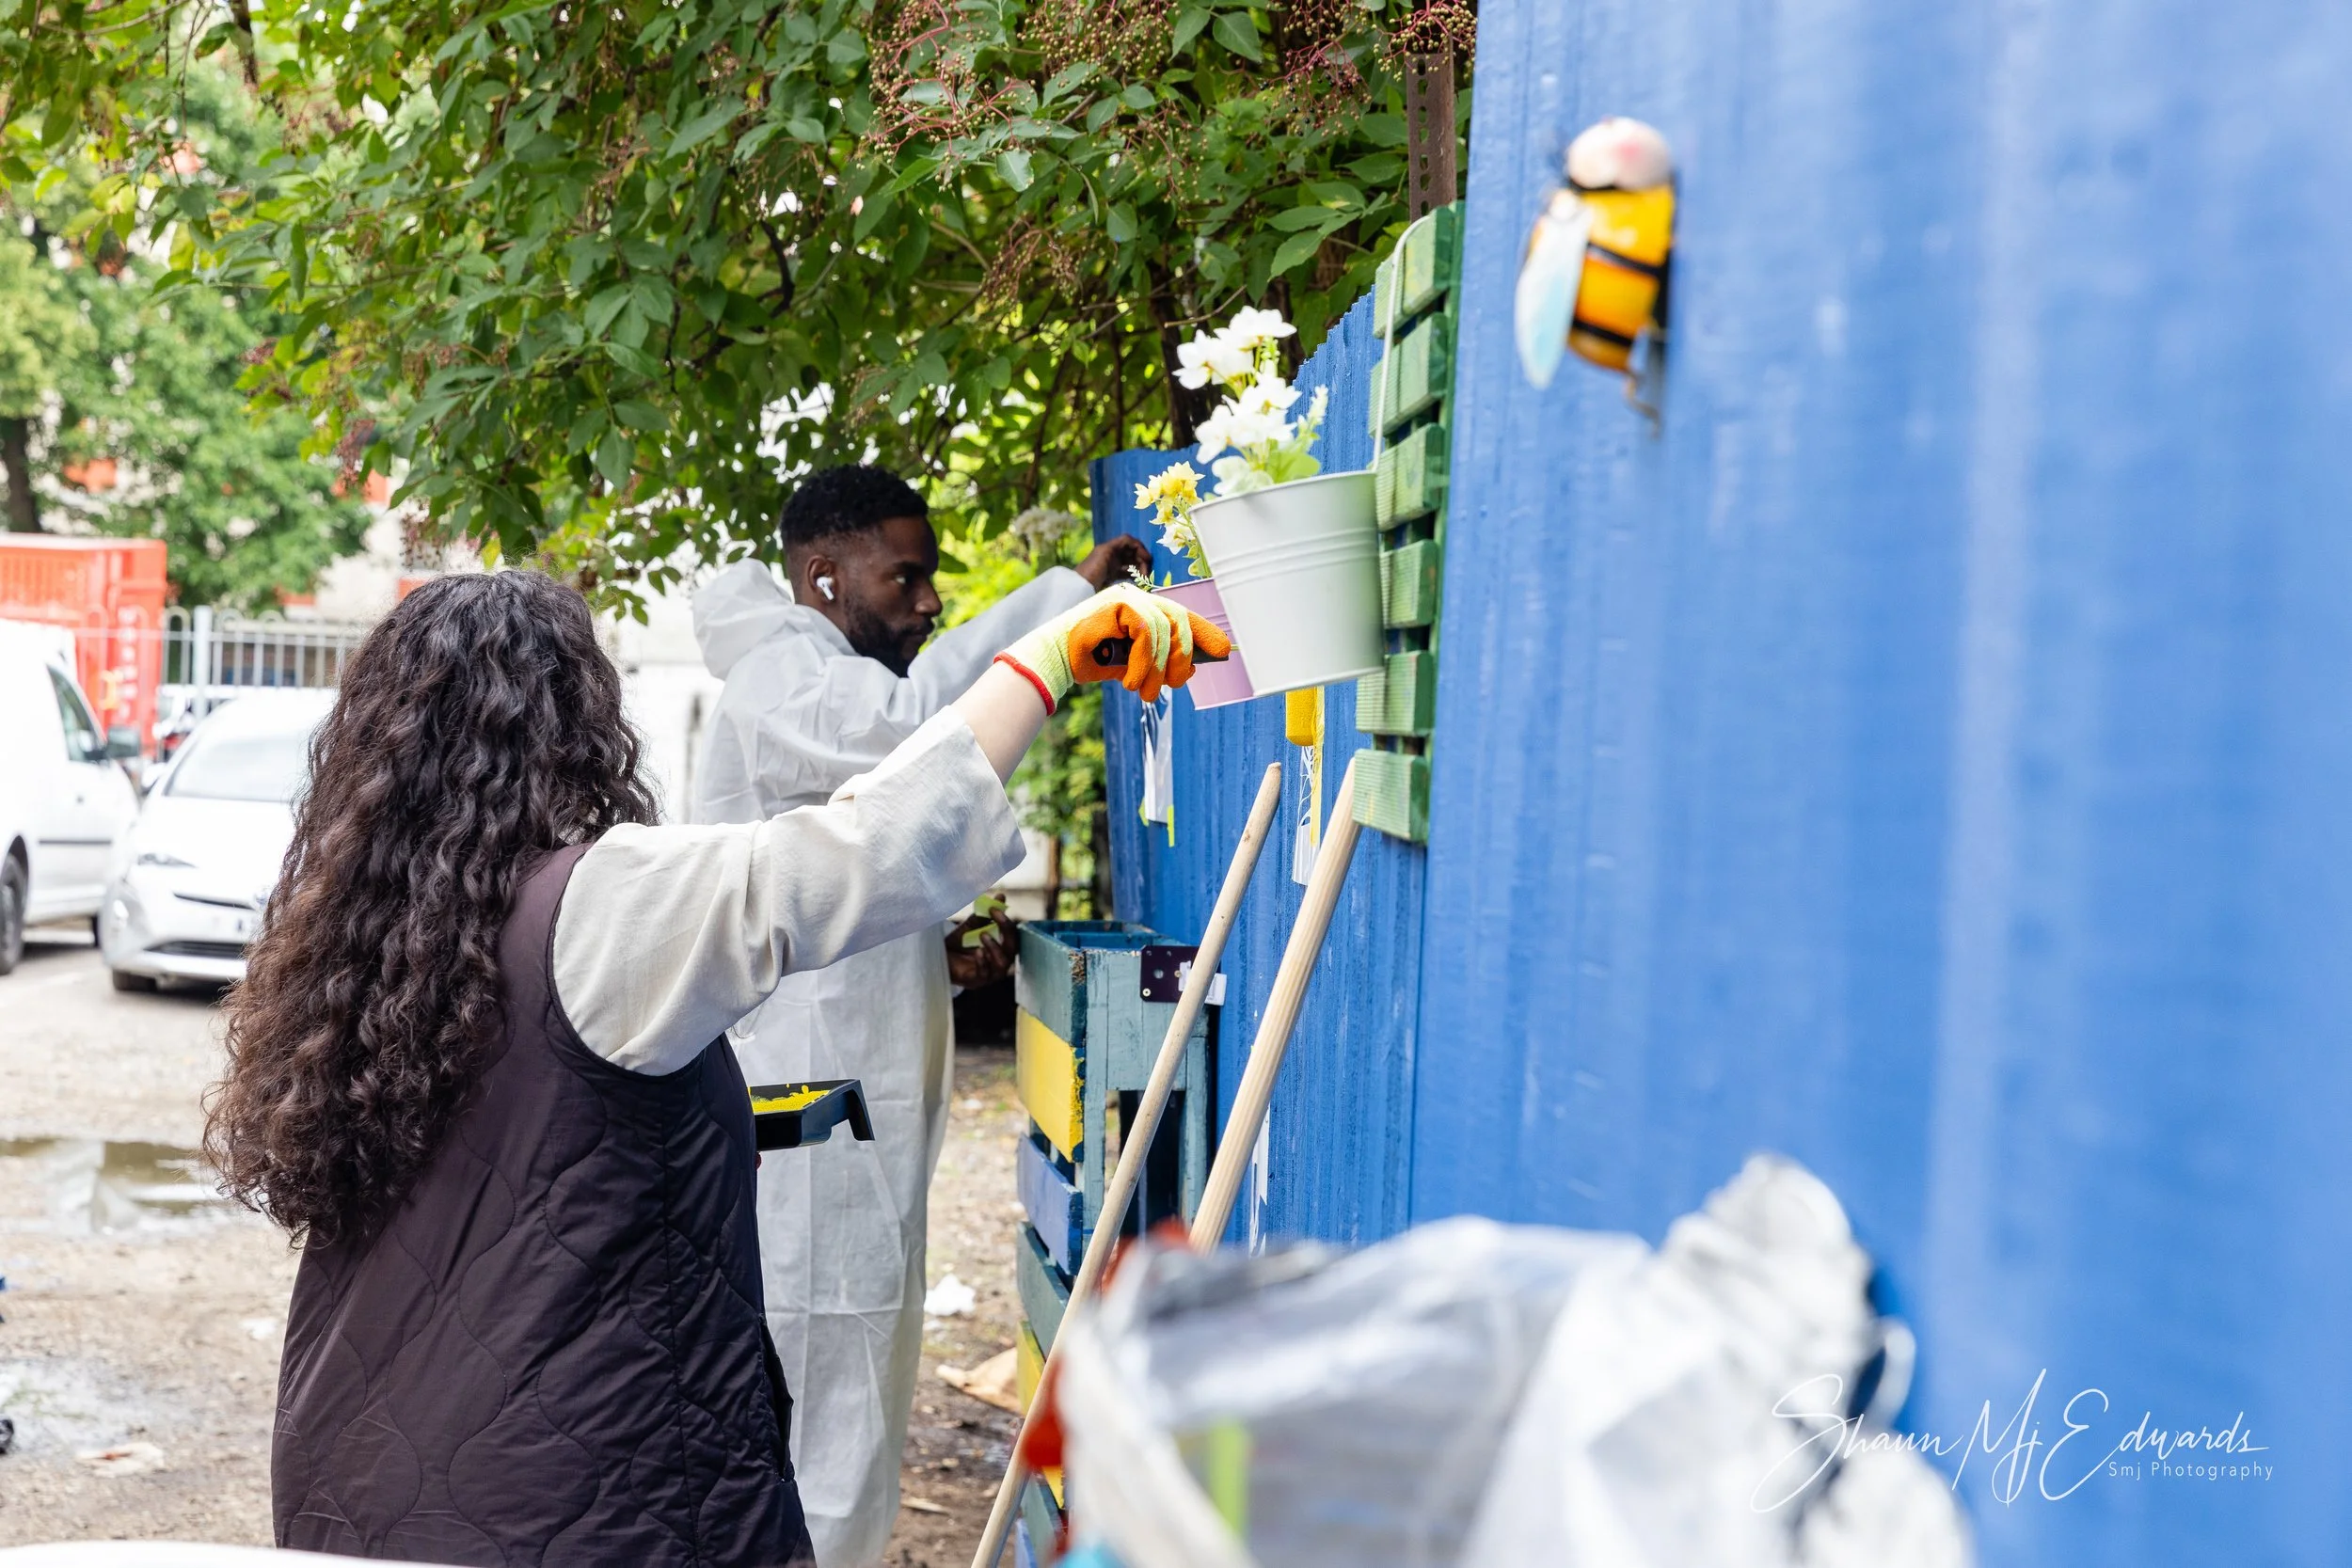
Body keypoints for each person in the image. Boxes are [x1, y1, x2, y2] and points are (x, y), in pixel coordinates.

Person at [205, 568, 1219, 1567]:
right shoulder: (599, 902)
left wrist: (709, 1126)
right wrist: (1048, 655)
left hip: (356, 1474)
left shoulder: (364, 939)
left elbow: (524, 1135)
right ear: (573, 723)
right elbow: (871, 844)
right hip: (583, 1502)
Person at [690, 466, 1152, 1566]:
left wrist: (931, 946)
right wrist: (1059, 613)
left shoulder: (812, 671)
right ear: (822, 574)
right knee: (822, 1382)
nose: (929, 602)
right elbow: (921, 732)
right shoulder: (783, 677)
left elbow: (845, 868)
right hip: (810, 1113)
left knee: (848, 1368)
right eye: (906, 577)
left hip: (835, 1101)